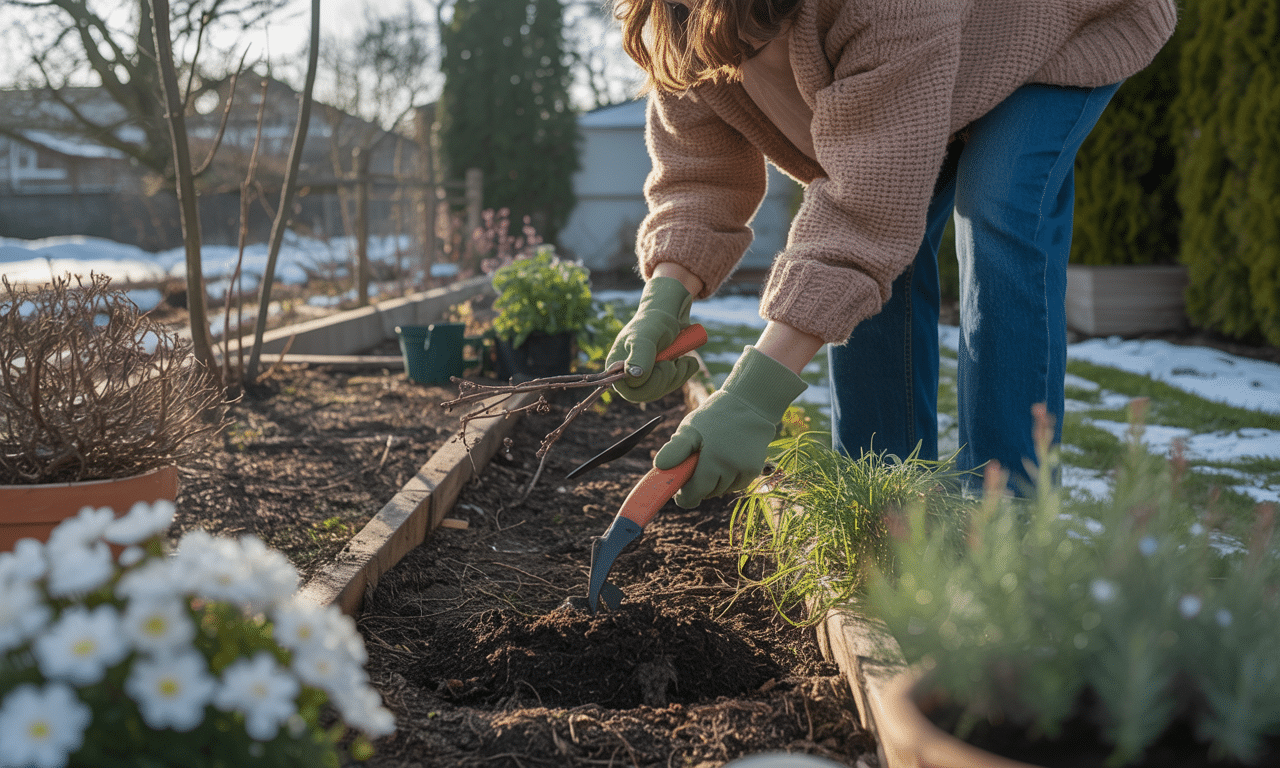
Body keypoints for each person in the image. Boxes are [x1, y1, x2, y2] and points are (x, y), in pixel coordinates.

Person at [603, 0, 1178, 507]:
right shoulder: (677, 20)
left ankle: (1007, 516)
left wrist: (753, 397)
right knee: (878, 266)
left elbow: (864, 210)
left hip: (1055, 26)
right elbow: (700, 177)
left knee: (999, 204)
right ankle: (881, 499)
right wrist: (662, 299)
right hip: (934, 66)